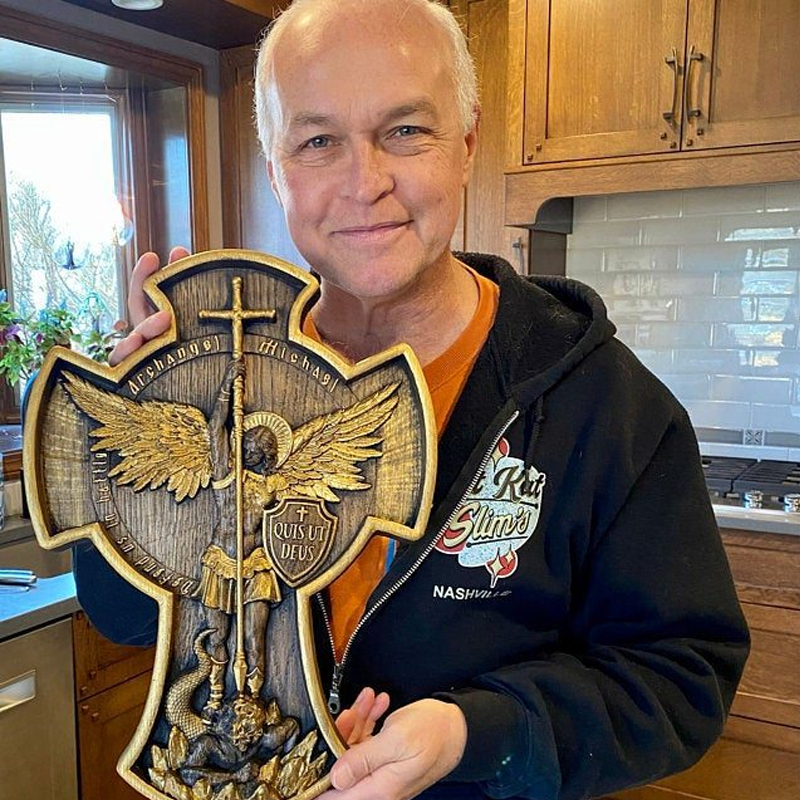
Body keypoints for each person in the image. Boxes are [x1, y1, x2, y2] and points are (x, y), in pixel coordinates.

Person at [73, 1, 750, 799]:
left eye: (405, 130)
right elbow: (123, 615)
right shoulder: (229, 380)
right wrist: (135, 428)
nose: (365, 184)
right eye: (318, 141)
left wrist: (475, 733)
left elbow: (681, 678)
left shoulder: (605, 405)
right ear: (276, 170)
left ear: (467, 144)